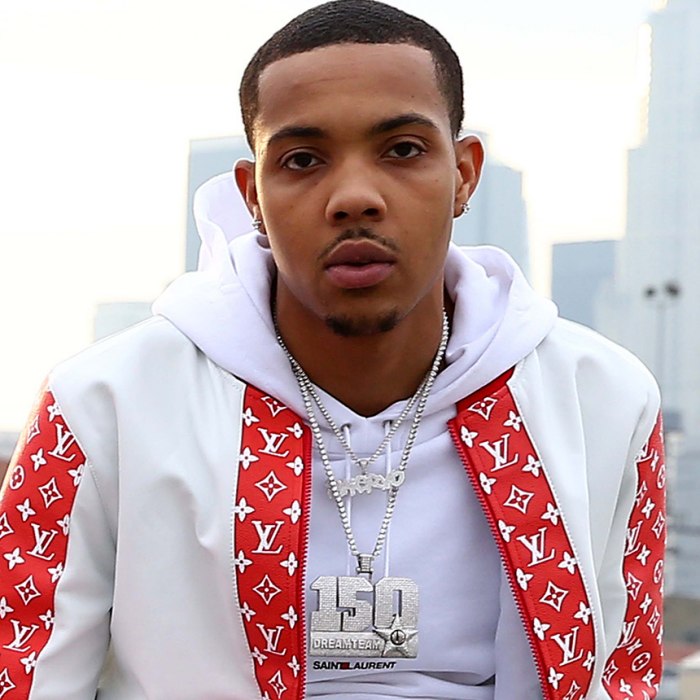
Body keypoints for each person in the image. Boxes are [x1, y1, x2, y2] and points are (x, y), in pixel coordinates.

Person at [0, 1, 665, 698]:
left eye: (403, 150)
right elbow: (25, 674)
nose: (354, 197)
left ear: (465, 174)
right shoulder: (104, 406)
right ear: (252, 196)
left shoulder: (602, 400)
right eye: (303, 160)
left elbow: (624, 676)